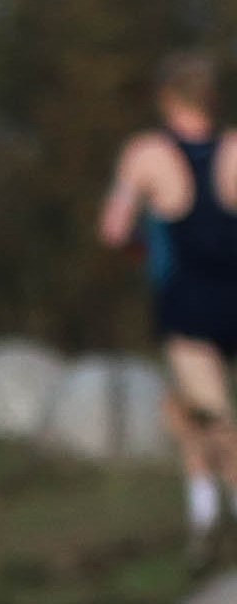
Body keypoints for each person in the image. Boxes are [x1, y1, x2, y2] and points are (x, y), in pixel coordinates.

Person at [101, 52, 237, 570]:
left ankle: (220, 519)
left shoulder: (146, 154)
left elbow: (114, 231)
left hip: (189, 306)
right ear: (211, 98)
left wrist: (145, 251)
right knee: (189, 416)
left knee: (210, 418)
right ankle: (203, 519)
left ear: (165, 99)